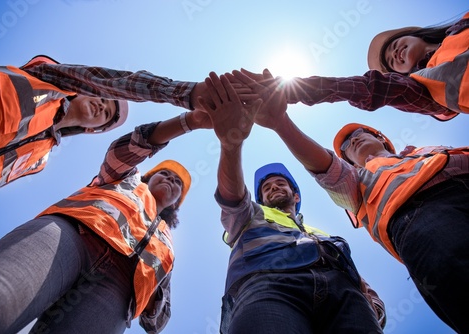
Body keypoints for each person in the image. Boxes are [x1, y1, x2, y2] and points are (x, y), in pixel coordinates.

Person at [237, 71, 469, 333]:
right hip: (423, 218)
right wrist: (281, 122)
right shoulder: (355, 183)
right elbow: (326, 168)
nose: (353, 140)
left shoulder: (428, 150)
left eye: (358, 134)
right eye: (346, 146)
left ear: (381, 137)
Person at [0, 108, 210, 333]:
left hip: (118, 290)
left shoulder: (168, 246)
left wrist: (150, 295)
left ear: (178, 201)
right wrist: (186, 122)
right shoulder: (126, 178)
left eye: (178, 182)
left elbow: (156, 321)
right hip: (71, 237)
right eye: (164, 173)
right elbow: (122, 152)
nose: (170, 180)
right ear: (149, 176)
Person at [198, 72, 386, 333]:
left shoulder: (320, 235)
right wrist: (231, 145)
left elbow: (349, 267)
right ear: (260, 198)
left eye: (280, 184)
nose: (273, 187)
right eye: (266, 188)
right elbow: (232, 200)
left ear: (296, 196)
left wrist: (372, 300)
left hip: (344, 293)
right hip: (267, 284)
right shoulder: (248, 218)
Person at [0, 53, 220, 205]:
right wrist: (187, 94)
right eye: (101, 97)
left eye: (108, 114)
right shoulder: (47, 79)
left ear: (94, 130)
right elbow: (118, 83)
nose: (102, 104)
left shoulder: (38, 160)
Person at [229, 11, 469, 121]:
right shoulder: (424, 90)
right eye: (390, 62)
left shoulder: (460, 25)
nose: (393, 53)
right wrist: (292, 89)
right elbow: (369, 88)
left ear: (412, 34)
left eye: (392, 45)